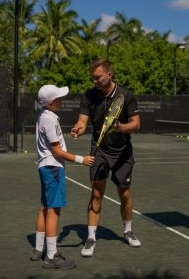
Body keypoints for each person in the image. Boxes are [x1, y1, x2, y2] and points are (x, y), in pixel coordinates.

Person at [71, 58, 141, 258]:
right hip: (99, 151)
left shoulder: (126, 95)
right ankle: (91, 238)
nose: (94, 81)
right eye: (92, 78)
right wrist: (78, 129)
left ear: (109, 75)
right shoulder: (89, 96)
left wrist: (121, 127)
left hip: (122, 153)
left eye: (98, 77)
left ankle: (128, 231)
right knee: (96, 194)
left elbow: (136, 124)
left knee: (124, 194)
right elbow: (82, 122)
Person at [31, 84, 95, 269]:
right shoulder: (49, 119)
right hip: (53, 168)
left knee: (45, 207)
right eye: (58, 98)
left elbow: (55, 143)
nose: (61, 100)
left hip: (46, 167)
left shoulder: (45, 116)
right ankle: (51, 256)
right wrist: (81, 159)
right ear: (51, 103)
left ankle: (38, 249)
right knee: (53, 210)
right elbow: (57, 151)